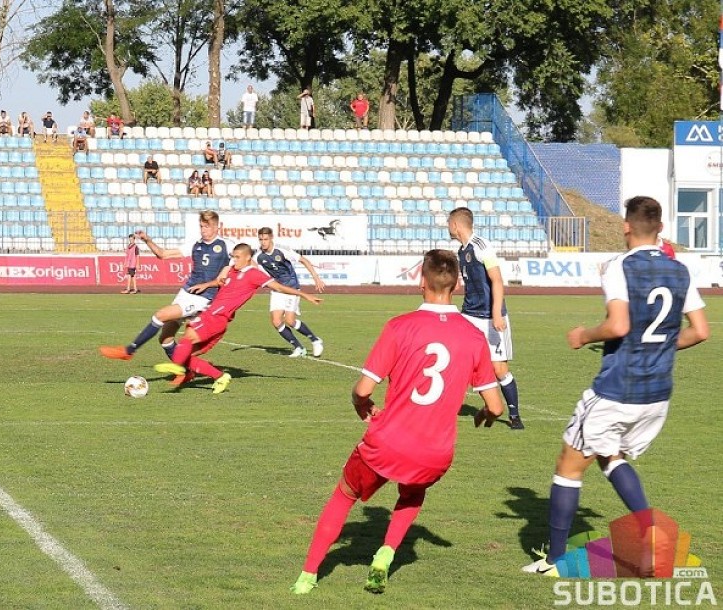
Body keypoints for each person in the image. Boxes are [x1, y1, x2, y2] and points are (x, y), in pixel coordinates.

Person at [290, 249, 504, 595]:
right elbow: (495, 406)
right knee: (413, 492)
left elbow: (363, 388)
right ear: (458, 285)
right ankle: (386, 553)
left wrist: (362, 405)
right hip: (434, 452)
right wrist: (483, 414)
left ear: (422, 281)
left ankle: (308, 575)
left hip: (389, 441)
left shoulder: (400, 326)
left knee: (343, 496)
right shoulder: (473, 336)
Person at [521, 196, 709, 578]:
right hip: (657, 393)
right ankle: (651, 533)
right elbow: (700, 331)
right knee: (610, 456)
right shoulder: (680, 270)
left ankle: (556, 561)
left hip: (617, 388)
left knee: (568, 467)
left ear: (626, 226)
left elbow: (619, 326)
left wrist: (583, 335)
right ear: (659, 228)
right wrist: (658, 345)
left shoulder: (619, 266)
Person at [153, 242, 323, 393]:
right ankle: (220, 376)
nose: (234, 260)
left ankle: (177, 368)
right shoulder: (233, 271)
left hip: (217, 317)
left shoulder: (254, 274)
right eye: (233, 257)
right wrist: (206, 284)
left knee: (186, 339)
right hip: (215, 317)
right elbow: (220, 282)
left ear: (248, 257)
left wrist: (304, 295)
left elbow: (278, 286)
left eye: (238, 257)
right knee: (187, 355)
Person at [99, 210, 235, 369]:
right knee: (165, 338)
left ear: (216, 227)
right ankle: (188, 370)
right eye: (201, 226)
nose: (203, 230)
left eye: (207, 226)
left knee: (160, 315)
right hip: (186, 293)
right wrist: (148, 240)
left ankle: (129, 350)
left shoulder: (227, 245)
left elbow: (244, 259)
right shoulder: (195, 244)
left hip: (203, 297)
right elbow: (162, 255)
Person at [447, 206, 524, 430]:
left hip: (490, 317)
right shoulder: (461, 251)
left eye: (448, 224)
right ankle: (450, 405)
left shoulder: (482, 246)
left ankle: (514, 415)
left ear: (455, 225)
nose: (448, 228)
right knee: (458, 359)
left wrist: (497, 313)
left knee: (499, 369)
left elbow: (497, 281)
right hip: (470, 315)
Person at [256, 227, 326, 358]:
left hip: (292, 287)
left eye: (265, 239)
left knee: (290, 320)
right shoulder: (258, 256)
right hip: (277, 289)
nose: (263, 242)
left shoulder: (282, 250)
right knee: (276, 321)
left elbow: (303, 260)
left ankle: (315, 340)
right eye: (261, 239)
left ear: (271, 238)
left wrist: (316, 277)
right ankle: (298, 347)